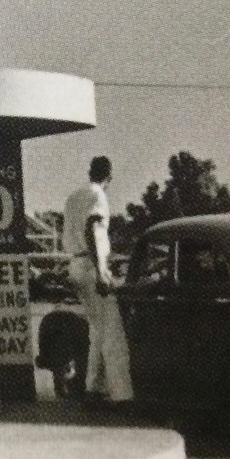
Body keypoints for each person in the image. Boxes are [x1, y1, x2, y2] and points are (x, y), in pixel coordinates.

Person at [64, 155, 134, 406]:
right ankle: (122, 396)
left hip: (76, 263)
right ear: (109, 175)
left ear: (90, 171)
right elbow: (93, 229)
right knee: (113, 333)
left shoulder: (74, 196)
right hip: (91, 265)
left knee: (98, 329)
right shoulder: (98, 196)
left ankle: (93, 388)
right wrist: (102, 269)